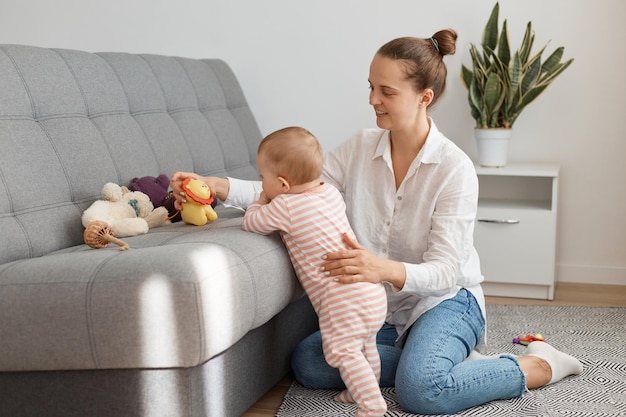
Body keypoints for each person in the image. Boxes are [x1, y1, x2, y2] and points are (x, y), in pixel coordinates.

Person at [171, 29, 583, 415]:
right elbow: (294, 191)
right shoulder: (359, 147)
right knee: (311, 361)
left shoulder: (454, 169)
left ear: (424, 96)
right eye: (371, 87)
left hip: (446, 302)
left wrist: (379, 268)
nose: (373, 99)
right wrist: (218, 187)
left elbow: (445, 273)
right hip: (378, 309)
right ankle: (436, 361)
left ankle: (535, 365)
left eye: (387, 91)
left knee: (420, 391)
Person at [241, 126, 388, 417]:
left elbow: (252, 223)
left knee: (344, 351)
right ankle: (362, 387)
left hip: (342, 299)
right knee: (365, 344)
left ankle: (372, 405)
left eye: (262, 177)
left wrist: (258, 201)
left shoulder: (285, 206)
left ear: (283, 184)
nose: (261, 183)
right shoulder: (330, 193)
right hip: (371, 291)